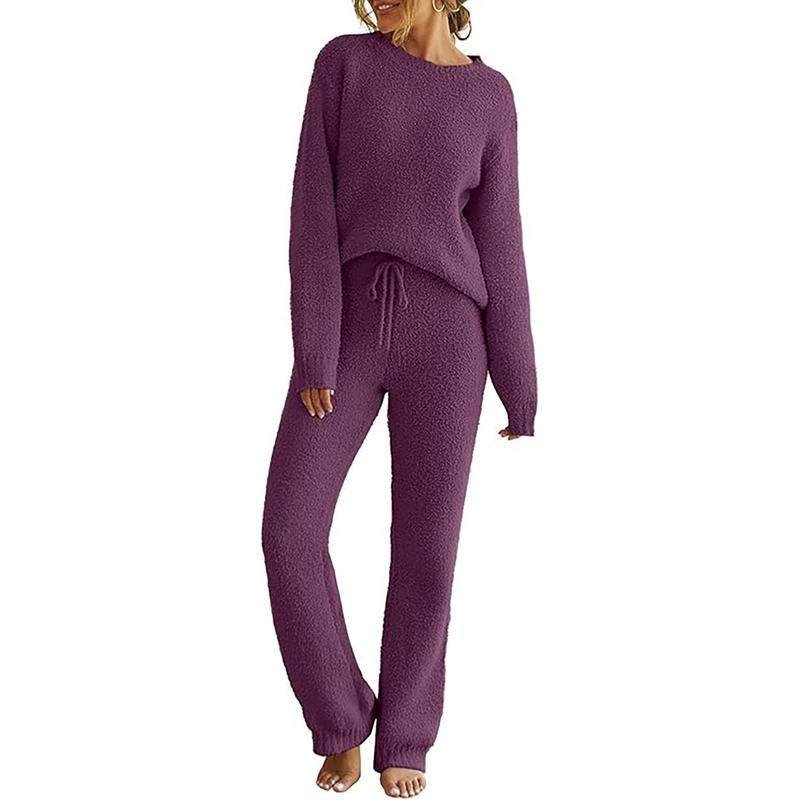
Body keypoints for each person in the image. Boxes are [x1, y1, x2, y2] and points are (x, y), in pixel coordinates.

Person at [261, 1, 538, 796]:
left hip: (450, 340)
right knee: (288, 531)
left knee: (427, 551)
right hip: (349, 328)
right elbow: (311, 210)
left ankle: (406, 736)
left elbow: (501, 239)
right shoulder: (343, 65)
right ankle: (340, 718)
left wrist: (518, 380)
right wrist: (315, 345)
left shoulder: (491, 97)